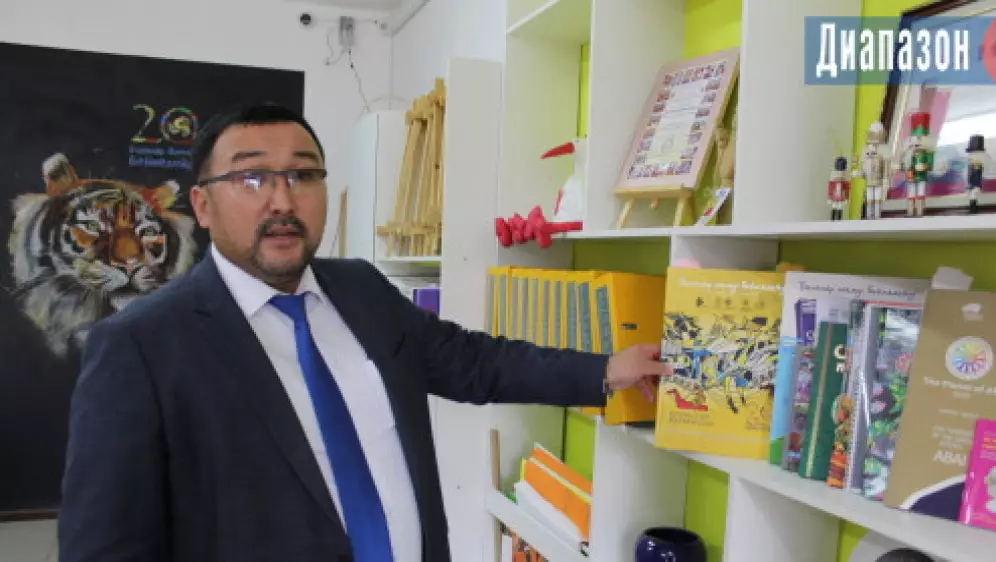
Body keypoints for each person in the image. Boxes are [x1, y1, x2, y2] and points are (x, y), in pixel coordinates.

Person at [58, 103, 669, 562]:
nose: (282, 201)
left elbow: (472, 361)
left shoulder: (361, 289)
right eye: (252, 179)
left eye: (303, 175)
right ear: (201, 204)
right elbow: (106, 546)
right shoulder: (141, 346)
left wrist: (603, 370)